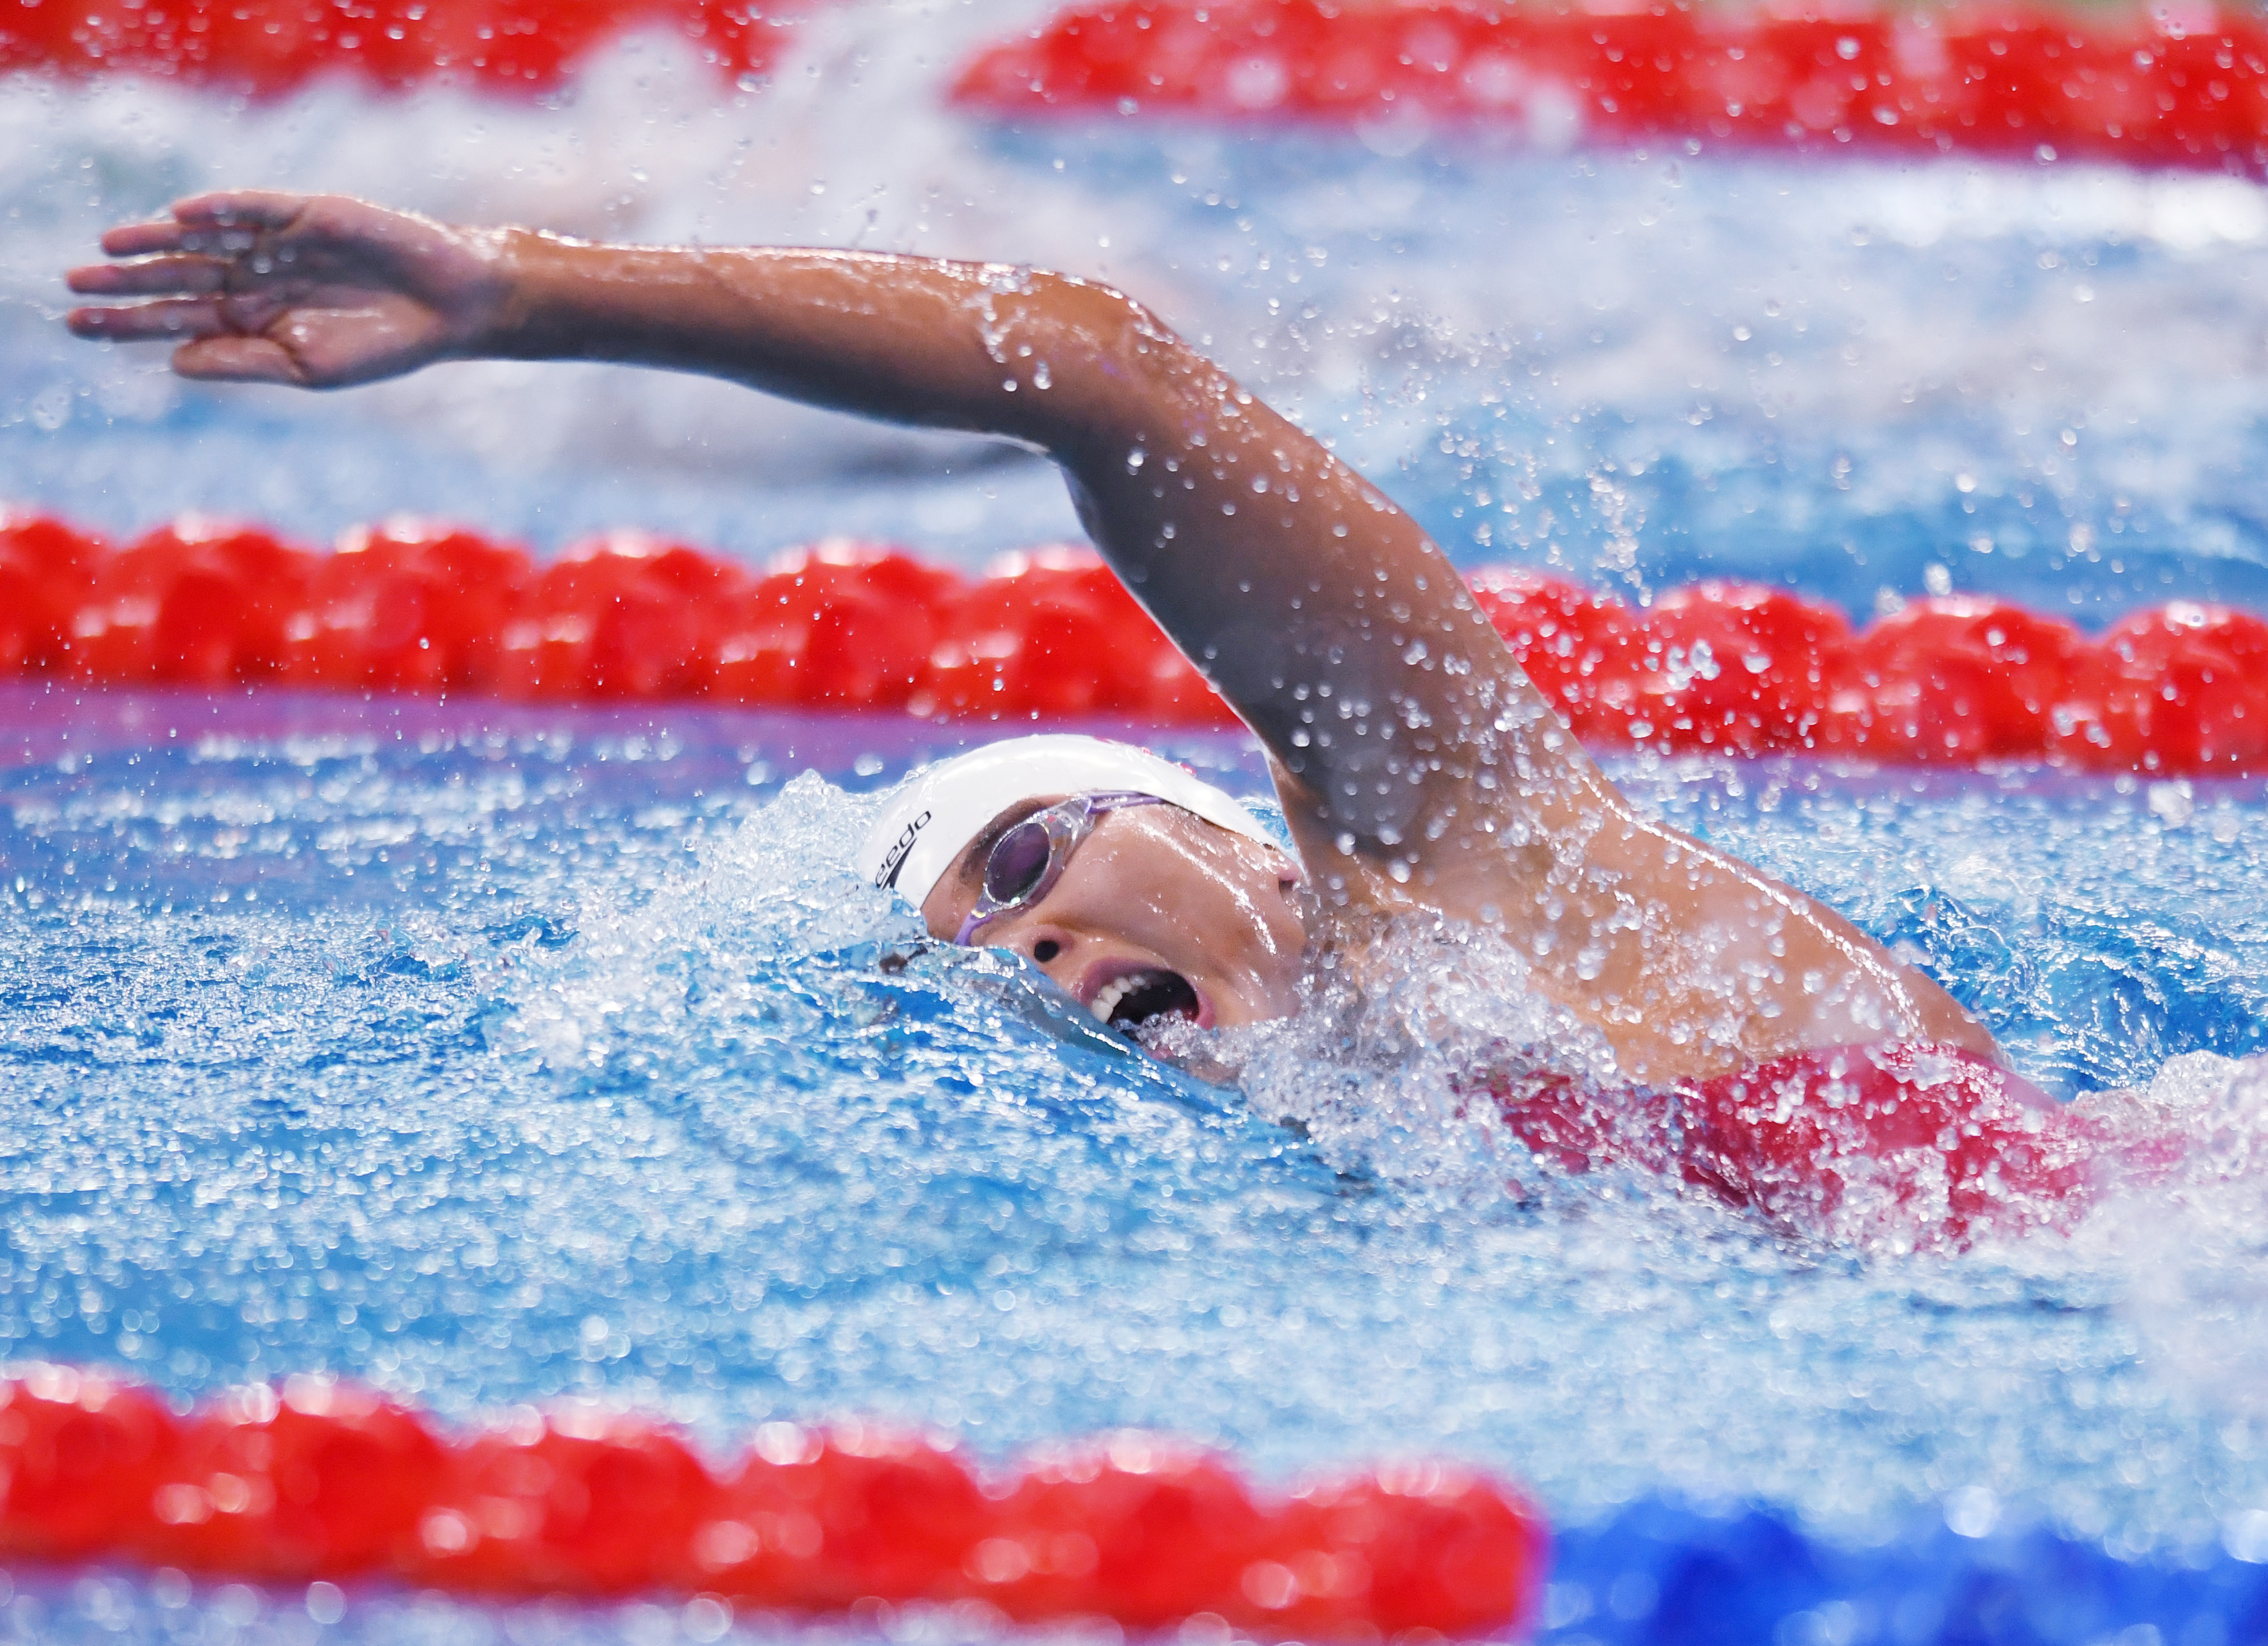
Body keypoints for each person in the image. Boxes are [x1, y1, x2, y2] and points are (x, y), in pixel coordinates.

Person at [70, 191, 2128, 1243]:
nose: (1039, 953)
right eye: (995, 960)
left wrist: (529, 298)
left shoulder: (1478, 871)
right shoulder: (1365, 1173)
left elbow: (1097, 369)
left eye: (1031, 861)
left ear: (1232, 824)